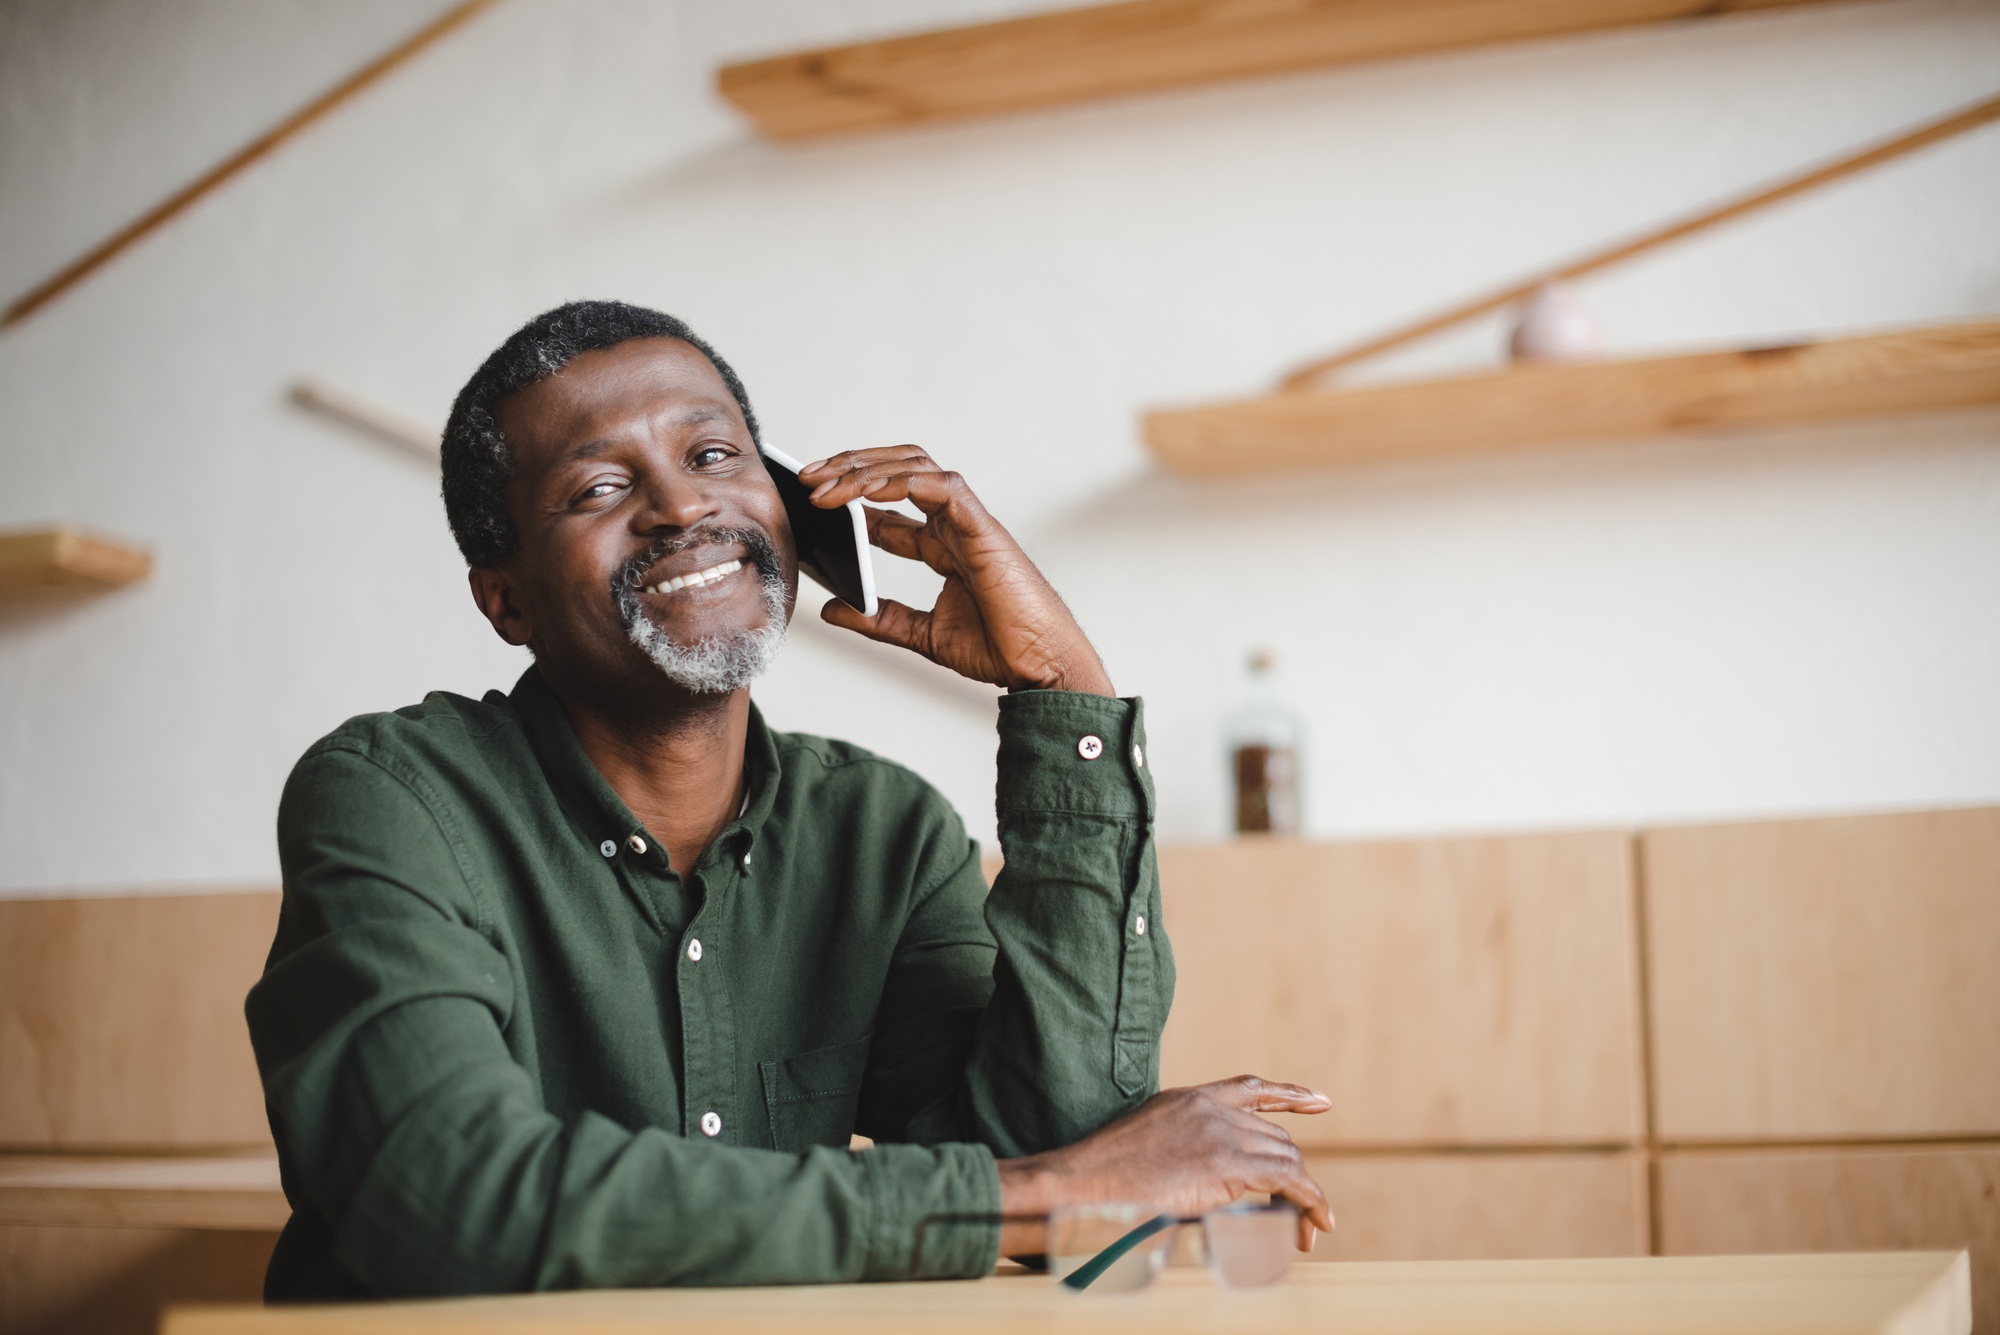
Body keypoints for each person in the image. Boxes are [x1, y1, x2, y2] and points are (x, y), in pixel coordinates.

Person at [247, 300, 1333, 1299]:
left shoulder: (880, 834)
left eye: (714, 454)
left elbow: (1045, 1134)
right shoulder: (392, 798)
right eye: (598, 489)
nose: (681, 505)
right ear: (507, 599)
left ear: (789, 510)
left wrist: (1063, 691)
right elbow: (445, 1196)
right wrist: (1043, 1194)